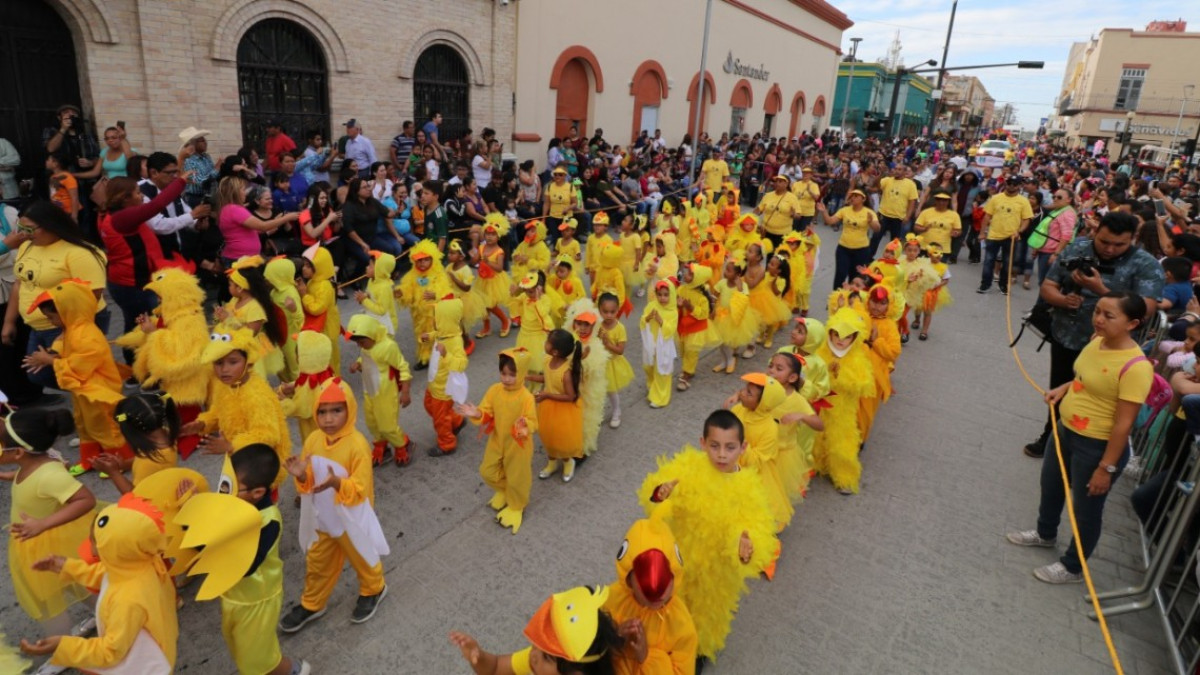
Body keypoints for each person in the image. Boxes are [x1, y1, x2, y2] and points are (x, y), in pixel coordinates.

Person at [1007, 292, 1153, 584]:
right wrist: (1063, 389)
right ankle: (1045, 533)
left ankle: (1073, 566)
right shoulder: (1096, 341)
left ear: (1132, 323)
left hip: (1097, 447)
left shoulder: (1137, 367)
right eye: (1097, 311)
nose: (1098, 319)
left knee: (1086, 510)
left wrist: (1106, 467)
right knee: (1051, 485)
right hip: (1065, 429)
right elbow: (1084, 378)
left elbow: (1124, 424)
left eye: (1109, 316)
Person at [637, 410, 776, 664]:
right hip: (680, 557)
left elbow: (756, 525)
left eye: (730, 447)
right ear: (703, 443)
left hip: (717, 573)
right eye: (714, 446)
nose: (722, 454)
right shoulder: (688, 468)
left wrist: (746, 543)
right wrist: (662, 491)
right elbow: (656, 494)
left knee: (708, 613)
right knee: (673, 601)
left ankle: (699, 652)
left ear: (743, 447)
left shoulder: (748, 487)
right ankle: (668, 641)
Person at [1025, 212, 1165, 458]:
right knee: (1060, 389)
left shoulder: (1146, 264)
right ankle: (1052, 437)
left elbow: (1146, 309)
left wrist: (1100, 289)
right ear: (1095, 232)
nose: (1110, 249)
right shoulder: (1077, 248)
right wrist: (1063, 300)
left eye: (1119, 244)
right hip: (1067, 335)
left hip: (1114, 351)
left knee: (1102, 401)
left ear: (1132, 239)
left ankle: (1093, 452)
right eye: (1104, 242)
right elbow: (1048, 286)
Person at [20, 493, 178, 674]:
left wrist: (64, 646)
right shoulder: (141, 562)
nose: (91, 546)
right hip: (152, 646)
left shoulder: (127, 602)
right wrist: (66, 566)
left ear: (114, 549)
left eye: (94, 542)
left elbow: (111, 651)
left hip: (143, 665)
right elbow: (106, 575)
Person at [280, 378, 389, 631]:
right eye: (322, 411)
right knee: (317, 563)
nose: (328, 419)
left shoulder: (357, 445)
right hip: (323, 518)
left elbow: (360, 489)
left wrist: (337, 483)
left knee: (362, 555)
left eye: (336, 411)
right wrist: (301, 476)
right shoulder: (314, 441)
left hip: (350, 519)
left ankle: (375, 588)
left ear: (350, 409)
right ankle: (312, 603)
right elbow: (308, 483)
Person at [1, 408, 96, 650]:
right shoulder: (35, 462)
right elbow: (30, 475)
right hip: (41, 537)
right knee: (80, 581)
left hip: (45, 541)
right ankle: (106, 612)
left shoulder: (49, 474)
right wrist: (10, 475)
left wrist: (42, 524)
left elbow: (86, 500)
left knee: (47, 601)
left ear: (19, 452)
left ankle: (61, 649)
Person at [22, 279, 130, 475]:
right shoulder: (72, 330)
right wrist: (51, 355)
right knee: (84, 424)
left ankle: (119, 460)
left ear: (67, 310)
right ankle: (90, 459)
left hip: (99, 390)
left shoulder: (87, 333)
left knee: (105, 425)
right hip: (84, 390)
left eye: (51, 316)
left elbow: (84, 363)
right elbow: (63, 346)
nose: (50, 321)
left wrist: (51, 361)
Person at [182, 328, 290, 488]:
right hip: (241, 454)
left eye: (233, 362)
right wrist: (204, 423)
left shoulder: (256, 395)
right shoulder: (225, 385)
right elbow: (220, 411)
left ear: (248, 362)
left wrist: (231, 446)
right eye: (218, 363)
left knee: (258, 500)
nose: (224, 369)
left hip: (261, 464)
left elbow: (268, 434)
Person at [449, 585, 623, 675]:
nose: (533, 654)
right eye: (537, 645)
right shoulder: (538, 658)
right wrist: (478, 657)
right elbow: (495, 669)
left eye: (545, 656)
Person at [457, 348, 538, 534]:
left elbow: (533, 421)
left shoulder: (526, 397)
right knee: (487, 471)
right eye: (503, 373)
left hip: (519, 445)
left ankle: (517, 507)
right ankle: (506, 491)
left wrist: (526, 427)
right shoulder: (495, 390)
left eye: (512, 374)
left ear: (522, 373)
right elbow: (486, 411)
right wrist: (477, 413)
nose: (506, 378)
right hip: (497, 440)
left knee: (518, 477)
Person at [603, 516, 698, 674]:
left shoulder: (681, 625)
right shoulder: (612, 599)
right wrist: (614, 637)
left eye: (667, 580)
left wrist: (647, 657)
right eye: (642, 582)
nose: (658, 596)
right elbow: (590, 648)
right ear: (629, 580)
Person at [347, 314, 415, 467]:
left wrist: (405, 392)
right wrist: (358, 364)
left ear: (372, 334)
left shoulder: (388, 346)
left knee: (387, 425)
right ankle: (381, 445)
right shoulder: (367, 347)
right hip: (369, 390)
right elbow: (366, 358)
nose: (360, 346)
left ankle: (403, 444)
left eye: (362, 342)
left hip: (385, 392)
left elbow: (403, 367)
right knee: (373, 423)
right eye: (357, 343)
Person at [96, 392, 180, 494]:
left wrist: (114, 473)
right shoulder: (165, 434)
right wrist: (122, 465)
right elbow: (142, 458)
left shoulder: (149, 461)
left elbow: (135, 496)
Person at [528, 328, 584, 482]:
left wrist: (546, 394)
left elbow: (570, 396)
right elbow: (546, 378)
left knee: (561, 439)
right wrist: (529, 377)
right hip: (547, 408)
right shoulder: (547, 361)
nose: (544, 344)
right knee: (548, 436)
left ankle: (568, 462)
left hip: (562, 410)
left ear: (555, 352)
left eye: (547, 343)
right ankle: (552, 462)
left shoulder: (566, 373)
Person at [216, 176, 301, 267]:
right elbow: (263, 226)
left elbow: (254, 230)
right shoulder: (235, 209)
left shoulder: (228, 208)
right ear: (235, 192)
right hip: (240, 259)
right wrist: (286, 218)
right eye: (243, 190)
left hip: (244, 257)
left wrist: (276, 221)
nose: (245, 193)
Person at [423, 297, 469, 457]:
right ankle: (457, 421)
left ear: (445, 320)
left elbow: (462, 363)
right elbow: (436, 334)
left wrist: (446, 355)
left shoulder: (455, 341)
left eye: (437, 317)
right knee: (428, 405)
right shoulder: (443, 333)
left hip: (443, 390)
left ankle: (447, 444)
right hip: (434, 383)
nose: (434, 319)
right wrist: (428, 337)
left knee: (440, 419)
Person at [976, 178, 1033, 295]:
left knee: (1008, 263)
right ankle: (985, 284)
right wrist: (982, 233)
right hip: (993, 235)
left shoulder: (1023, 201)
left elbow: (1026, 219)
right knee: (988, 261)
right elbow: (987, 216)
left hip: (1011, 237)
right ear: (1005, 184)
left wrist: (1019, 231)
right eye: (1009, 183)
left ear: (1019, 186)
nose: (1011, 186)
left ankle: (1003, 286)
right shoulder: (995, 198)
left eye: (1015, 184)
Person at [818, 189, 879, 289]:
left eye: (856, 196)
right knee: (840, 276)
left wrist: (871, 221)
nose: (853, 198)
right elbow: (830, 221)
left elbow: (877, 228)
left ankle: (851, 300)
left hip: (861, 250)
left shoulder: (869, 212)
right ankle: (836, 300)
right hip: (843, 248)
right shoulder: (844, 210)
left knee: (855, 278)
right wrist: (824, 212)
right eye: (852, 196)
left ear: (863, 199)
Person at [640, 279, 679, 410]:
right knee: (648, 366)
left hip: (664, 346)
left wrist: (661, 321)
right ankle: (652, 386)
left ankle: (660, 397)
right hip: (652, 343)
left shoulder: (673, 311)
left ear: (671, 295)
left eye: (666, 295)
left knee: (662, 370)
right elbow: (643, 319)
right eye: (660, 294)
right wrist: (647, 318)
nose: (662, 298)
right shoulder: (652, 305)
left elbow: (671, 329)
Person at [868, 165, 918, 257]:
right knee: (875, 237)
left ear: (904, 172)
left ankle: (892, 260)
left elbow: (912, 202)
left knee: (894, 242)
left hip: (898, 217)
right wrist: (881, 174)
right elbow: (876, 186)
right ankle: (868, 258)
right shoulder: (887, 180)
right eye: (895, 169)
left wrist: (907, 216)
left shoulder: (910, 184)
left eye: (899, 169)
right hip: (883, 215)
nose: (896, 171)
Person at [755, 174, 802, 250]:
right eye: (776, 181)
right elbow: (758, 210)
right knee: (768, 255)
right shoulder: (768, 195)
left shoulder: (792, 198)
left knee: (779, 258)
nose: (777, 183)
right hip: (766, 231)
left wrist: (794, 215)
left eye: (780, 181)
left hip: (783, 234)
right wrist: (752, 216)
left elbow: (798, 215)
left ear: (786, 184)